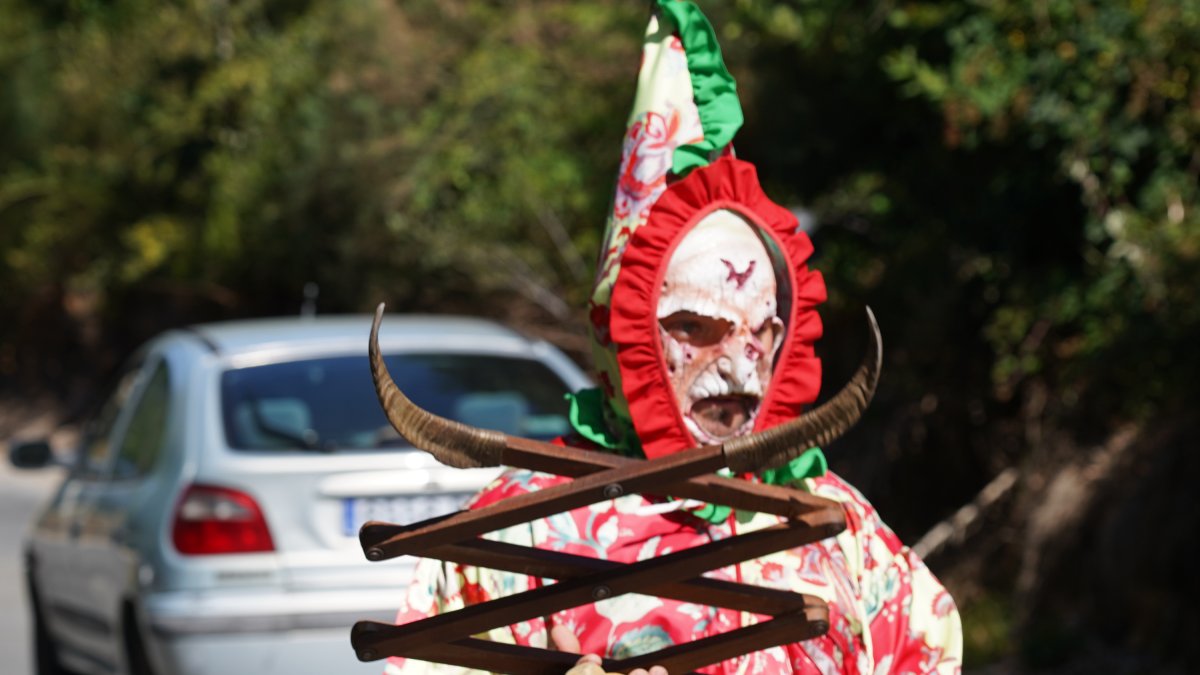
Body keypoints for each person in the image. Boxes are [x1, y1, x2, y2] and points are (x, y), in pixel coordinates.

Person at [383, 2, 962, 673]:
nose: (738, 369)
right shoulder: (516, 532)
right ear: (622, 335)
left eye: (760, 335)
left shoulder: (837, 523)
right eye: (694, 327)